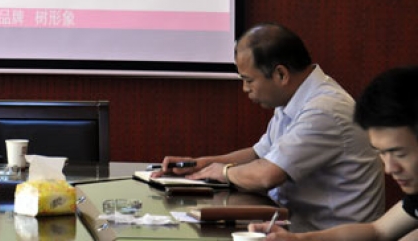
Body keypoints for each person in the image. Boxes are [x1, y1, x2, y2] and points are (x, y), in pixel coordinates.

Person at [158, 23, 384, 232]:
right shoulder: (295, 98)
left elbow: (267, 175)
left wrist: (223, 172)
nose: (245, 89)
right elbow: (259, 154)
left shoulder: (324, 110)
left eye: (249, 80)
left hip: (327, 234)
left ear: (281, 74)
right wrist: (202, 165)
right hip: (294, 228)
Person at [251, 65, 418, 240]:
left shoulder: (326, 108)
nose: (389, 168)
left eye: (399, 154)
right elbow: (378, 231)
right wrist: (297, 239)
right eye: (381, 153)